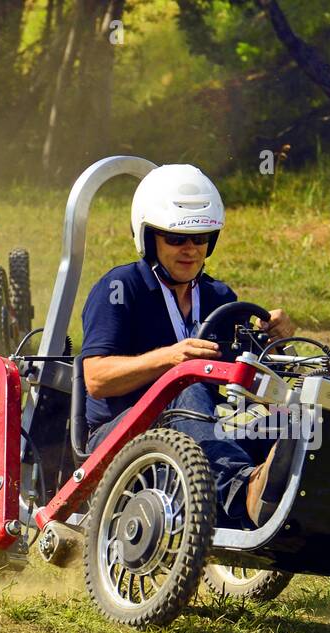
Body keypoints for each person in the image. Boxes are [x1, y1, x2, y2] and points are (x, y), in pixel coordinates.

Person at [80, 164, 295, 527]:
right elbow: (97, 379)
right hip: (117, 437)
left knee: (294, 415)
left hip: (203, 430)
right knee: (188, 385)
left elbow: (242, 374)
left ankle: (297, 505)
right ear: (149, 240)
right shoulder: (120, 288)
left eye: (200, 238)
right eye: (176, 239)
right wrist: (172, 360)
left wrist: (274, 341)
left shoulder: (219, 296)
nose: (190, 250)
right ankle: (244, 493)